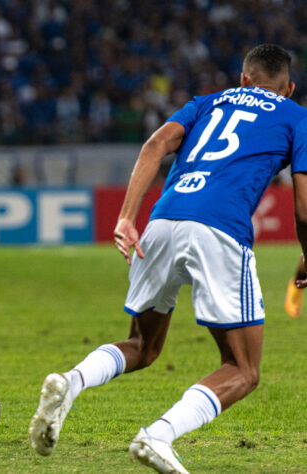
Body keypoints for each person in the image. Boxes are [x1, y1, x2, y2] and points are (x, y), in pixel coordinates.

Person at [29, 44, 307, 473]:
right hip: (220, 229)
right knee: (243, 369)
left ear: (244, 79)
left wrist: (125, 218)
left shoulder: (205, 103)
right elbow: (303, 208)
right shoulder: (296, 116)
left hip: (162, 221)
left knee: (143, 344)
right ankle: (158, 435)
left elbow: (156, 144)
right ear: (289, 88)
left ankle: (70, 383)